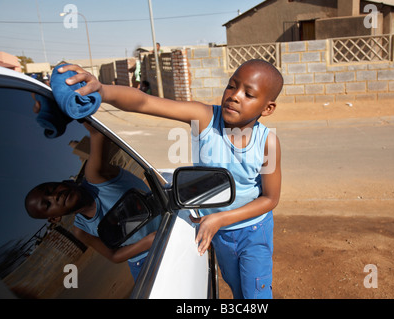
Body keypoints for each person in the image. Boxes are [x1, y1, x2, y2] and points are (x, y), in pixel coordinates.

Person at [57, 59, 283, 299]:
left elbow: (270, 199)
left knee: (255, 294)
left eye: (248, 94)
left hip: (252, 229)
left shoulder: (267, 142)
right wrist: (102, 90)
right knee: (236, 286)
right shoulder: (205, 117)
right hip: (216, 229)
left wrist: (220, 218)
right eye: (231, 86)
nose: (234, 96)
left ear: (267, 109)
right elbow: (145, 102)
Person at [25, 119, 159, 281]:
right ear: (54, 218)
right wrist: (151, 239)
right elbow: (114, 255)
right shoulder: (81, 230)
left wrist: (77, 109)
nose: (55, 196)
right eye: (48, 204)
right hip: (143, 261)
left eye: (52, 189)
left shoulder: (96, 176)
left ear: (66, 182)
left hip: (169, 223)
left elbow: (97, 132)